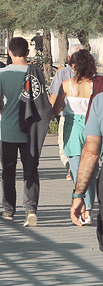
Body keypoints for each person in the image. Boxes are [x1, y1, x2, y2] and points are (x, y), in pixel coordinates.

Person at [0, 37, 39, 226]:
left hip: (8, 130)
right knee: (30, 170)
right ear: (28, 52)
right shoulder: (35, 73)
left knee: (8, 171)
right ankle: (31, 209)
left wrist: (3, 105)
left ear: (9, 52)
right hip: (30, 131)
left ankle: (9, 210)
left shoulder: (0, 74)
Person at [54, 49, 103, 226]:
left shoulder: (67, 84)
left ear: (74, 65)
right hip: (92, 125)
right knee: (93, 168)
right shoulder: (96, 84)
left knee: (77, 168)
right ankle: (89, 209)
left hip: (73, 127)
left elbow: (56, 108)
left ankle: (84, 204)